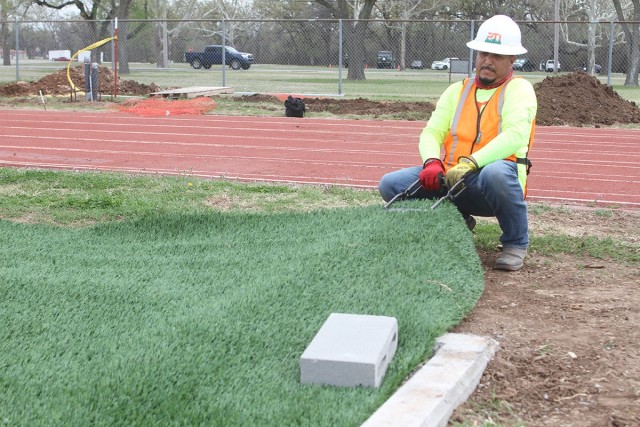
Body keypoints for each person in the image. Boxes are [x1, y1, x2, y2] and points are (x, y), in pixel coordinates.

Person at [378, 14, 537, 271]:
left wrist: (472, 163)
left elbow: (515, 136)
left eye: (496, 56)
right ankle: (457, 219)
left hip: (492, 183)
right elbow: (431, 132)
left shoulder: (519, 90)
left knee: (496, 172)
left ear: (512, 60)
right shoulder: (457, 90)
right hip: (452, 178)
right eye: (483, 53)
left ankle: (515, 243)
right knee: (391, 184)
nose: (487, 60)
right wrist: (431, 162)